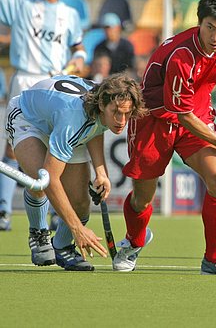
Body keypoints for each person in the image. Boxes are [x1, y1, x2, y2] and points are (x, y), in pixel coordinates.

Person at [113, 0, 216, 276]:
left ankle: (215, 258)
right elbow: (183, 115)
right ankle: (134, 240)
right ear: (199, 22)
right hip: (153, 119)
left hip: (197, 116)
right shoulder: (182, 56)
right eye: (210, 28)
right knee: (143, 198)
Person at [5, 73, 147, 270]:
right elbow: (51, 180)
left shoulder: (110, 99)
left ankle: (62, 247)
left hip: (60, 120)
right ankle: (38, 232)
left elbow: (98, 126)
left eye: (127, 113)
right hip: (28, 118)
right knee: (40, 182)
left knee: (80, 203)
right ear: (102, 105)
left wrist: (101, 172)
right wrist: (77, 229)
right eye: (116, 112)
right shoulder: (73, 118)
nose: (122, 121)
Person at [0, 0, 87, 231]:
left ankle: (57, 215)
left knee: (57, 148)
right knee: (15, 148)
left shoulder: (69, 14)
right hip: (25, 78)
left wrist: (79, 60)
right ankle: (4, 208)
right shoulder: (20, 4)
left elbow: (78, 48)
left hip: (55, 82)